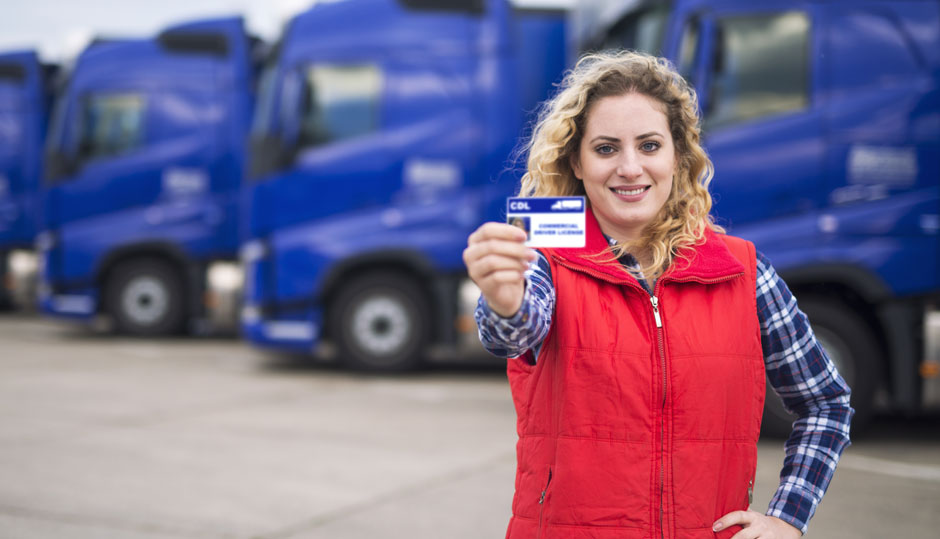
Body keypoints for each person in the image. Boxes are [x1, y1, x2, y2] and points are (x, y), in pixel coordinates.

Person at [462, 50, 853, 539]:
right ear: (576, 163)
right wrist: (505, 300)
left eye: (649, 145)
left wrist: (788, 516)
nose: (629, 167)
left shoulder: (744, 272)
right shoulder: (544, 260)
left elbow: (826, 403)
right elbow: (516, 331)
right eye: (605, 149)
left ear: (678, 157)